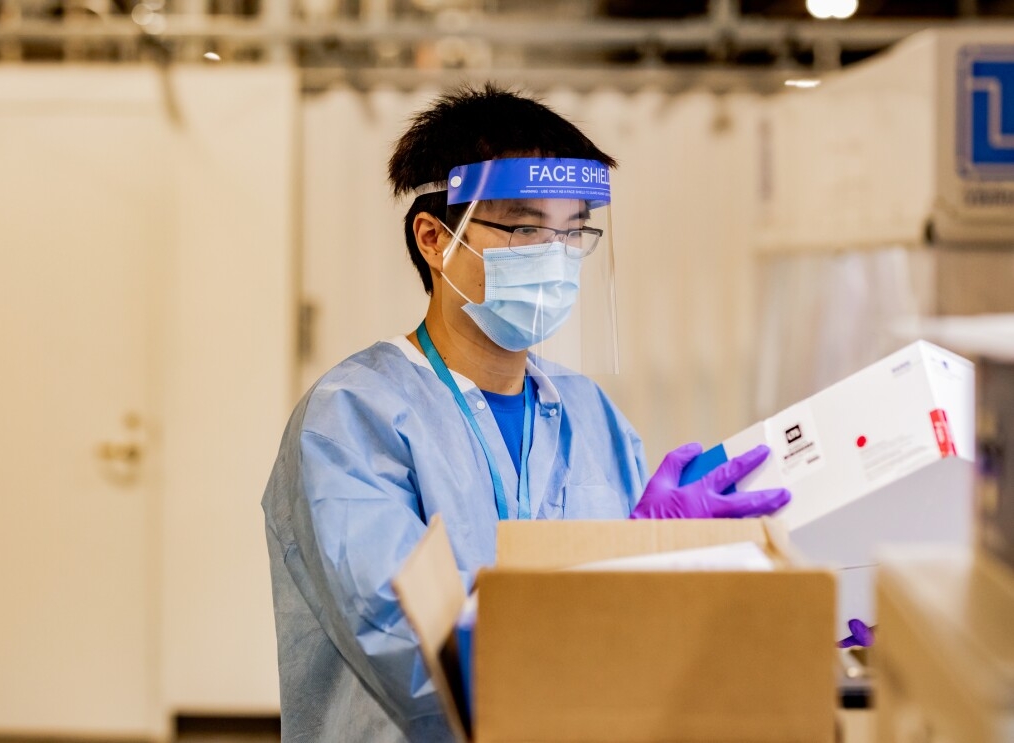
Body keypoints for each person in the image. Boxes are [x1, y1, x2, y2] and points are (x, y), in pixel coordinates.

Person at [261, 83, 791, 743]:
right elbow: (418, 651)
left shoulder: (590, 415)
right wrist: (622, 586)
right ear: (433, 238)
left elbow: (630, 630)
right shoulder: (353, 417)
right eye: (523, 226)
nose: (555, 255)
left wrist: (773, 620)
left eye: (571, 232)